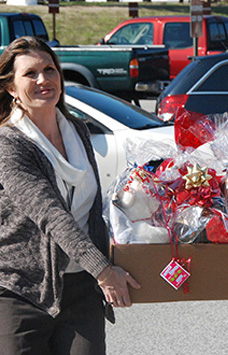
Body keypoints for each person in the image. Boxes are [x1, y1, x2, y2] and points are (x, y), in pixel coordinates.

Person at [0, 36, 140, 355]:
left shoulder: (77, 131)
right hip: (22, 288)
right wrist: (104, 271)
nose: (43, 79)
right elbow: (51, 215)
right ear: (10, 89)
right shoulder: (9, 144)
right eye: (30, 74)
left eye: (50, 70)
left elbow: (91, 209)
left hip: (81, 287)